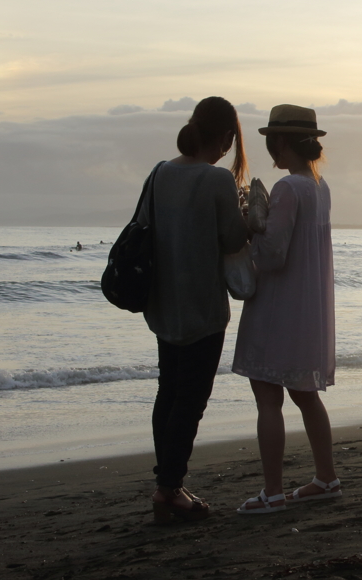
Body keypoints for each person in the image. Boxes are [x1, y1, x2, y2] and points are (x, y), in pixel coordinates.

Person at [143, 96, 249, 523]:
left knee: (168, 391)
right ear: (225, 137)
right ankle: (169, 490)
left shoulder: (159, 173)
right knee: (191, 399)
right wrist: (249, 215)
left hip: (164, 305)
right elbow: (233, 240)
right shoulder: (218, 180)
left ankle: (168, 483)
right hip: (203, 308)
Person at [232, 104, 338, 514]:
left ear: (280, 142)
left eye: (269, 141)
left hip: (279, 306)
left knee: (267, 399)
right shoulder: (319, 185)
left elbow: (273, 254)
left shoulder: (288, 188)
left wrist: (247, 231)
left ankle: (272, 491)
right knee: (306, 396)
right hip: (307, 305)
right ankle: (326, 477)